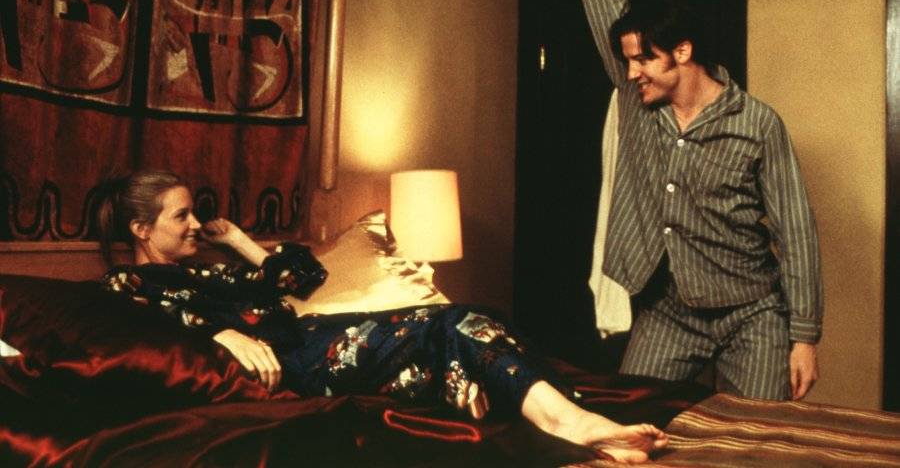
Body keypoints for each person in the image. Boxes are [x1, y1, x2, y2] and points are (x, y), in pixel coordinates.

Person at [96, 169, 668, 463]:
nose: (196, 224)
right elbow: (146, 329)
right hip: (301, 359)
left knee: (466, 341)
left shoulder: (213, 270)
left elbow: (305, 278)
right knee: (452, 323)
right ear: (141, 229)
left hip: (311, 336)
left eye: (194, 213)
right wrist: (221, 332)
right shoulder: (128, 283)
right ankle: (571, 424)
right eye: (181, 216)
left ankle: (576, 437)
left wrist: (241, 242)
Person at [545, 0, 823, 401]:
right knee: (632, 416)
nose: (631, 73)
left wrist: (804, 336)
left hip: (752, 313)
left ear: (683, 51)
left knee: (753, 434)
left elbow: (797, 233)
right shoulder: (637, 99)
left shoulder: (758, 124)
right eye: (628, 61)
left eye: (643, 60)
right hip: (670, 310)